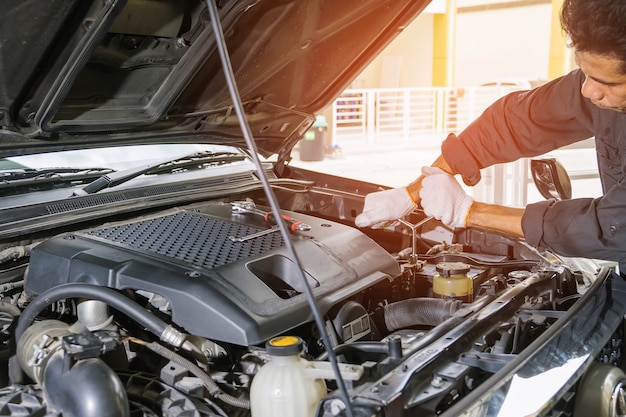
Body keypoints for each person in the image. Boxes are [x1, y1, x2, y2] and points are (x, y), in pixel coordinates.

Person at [355, 0, 626, 271]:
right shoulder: (594, 88)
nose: (588, 92)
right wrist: (412, 192)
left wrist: (470, 212)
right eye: (585, 74)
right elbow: (514, 122)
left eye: (606, 82)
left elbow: (613, 225)